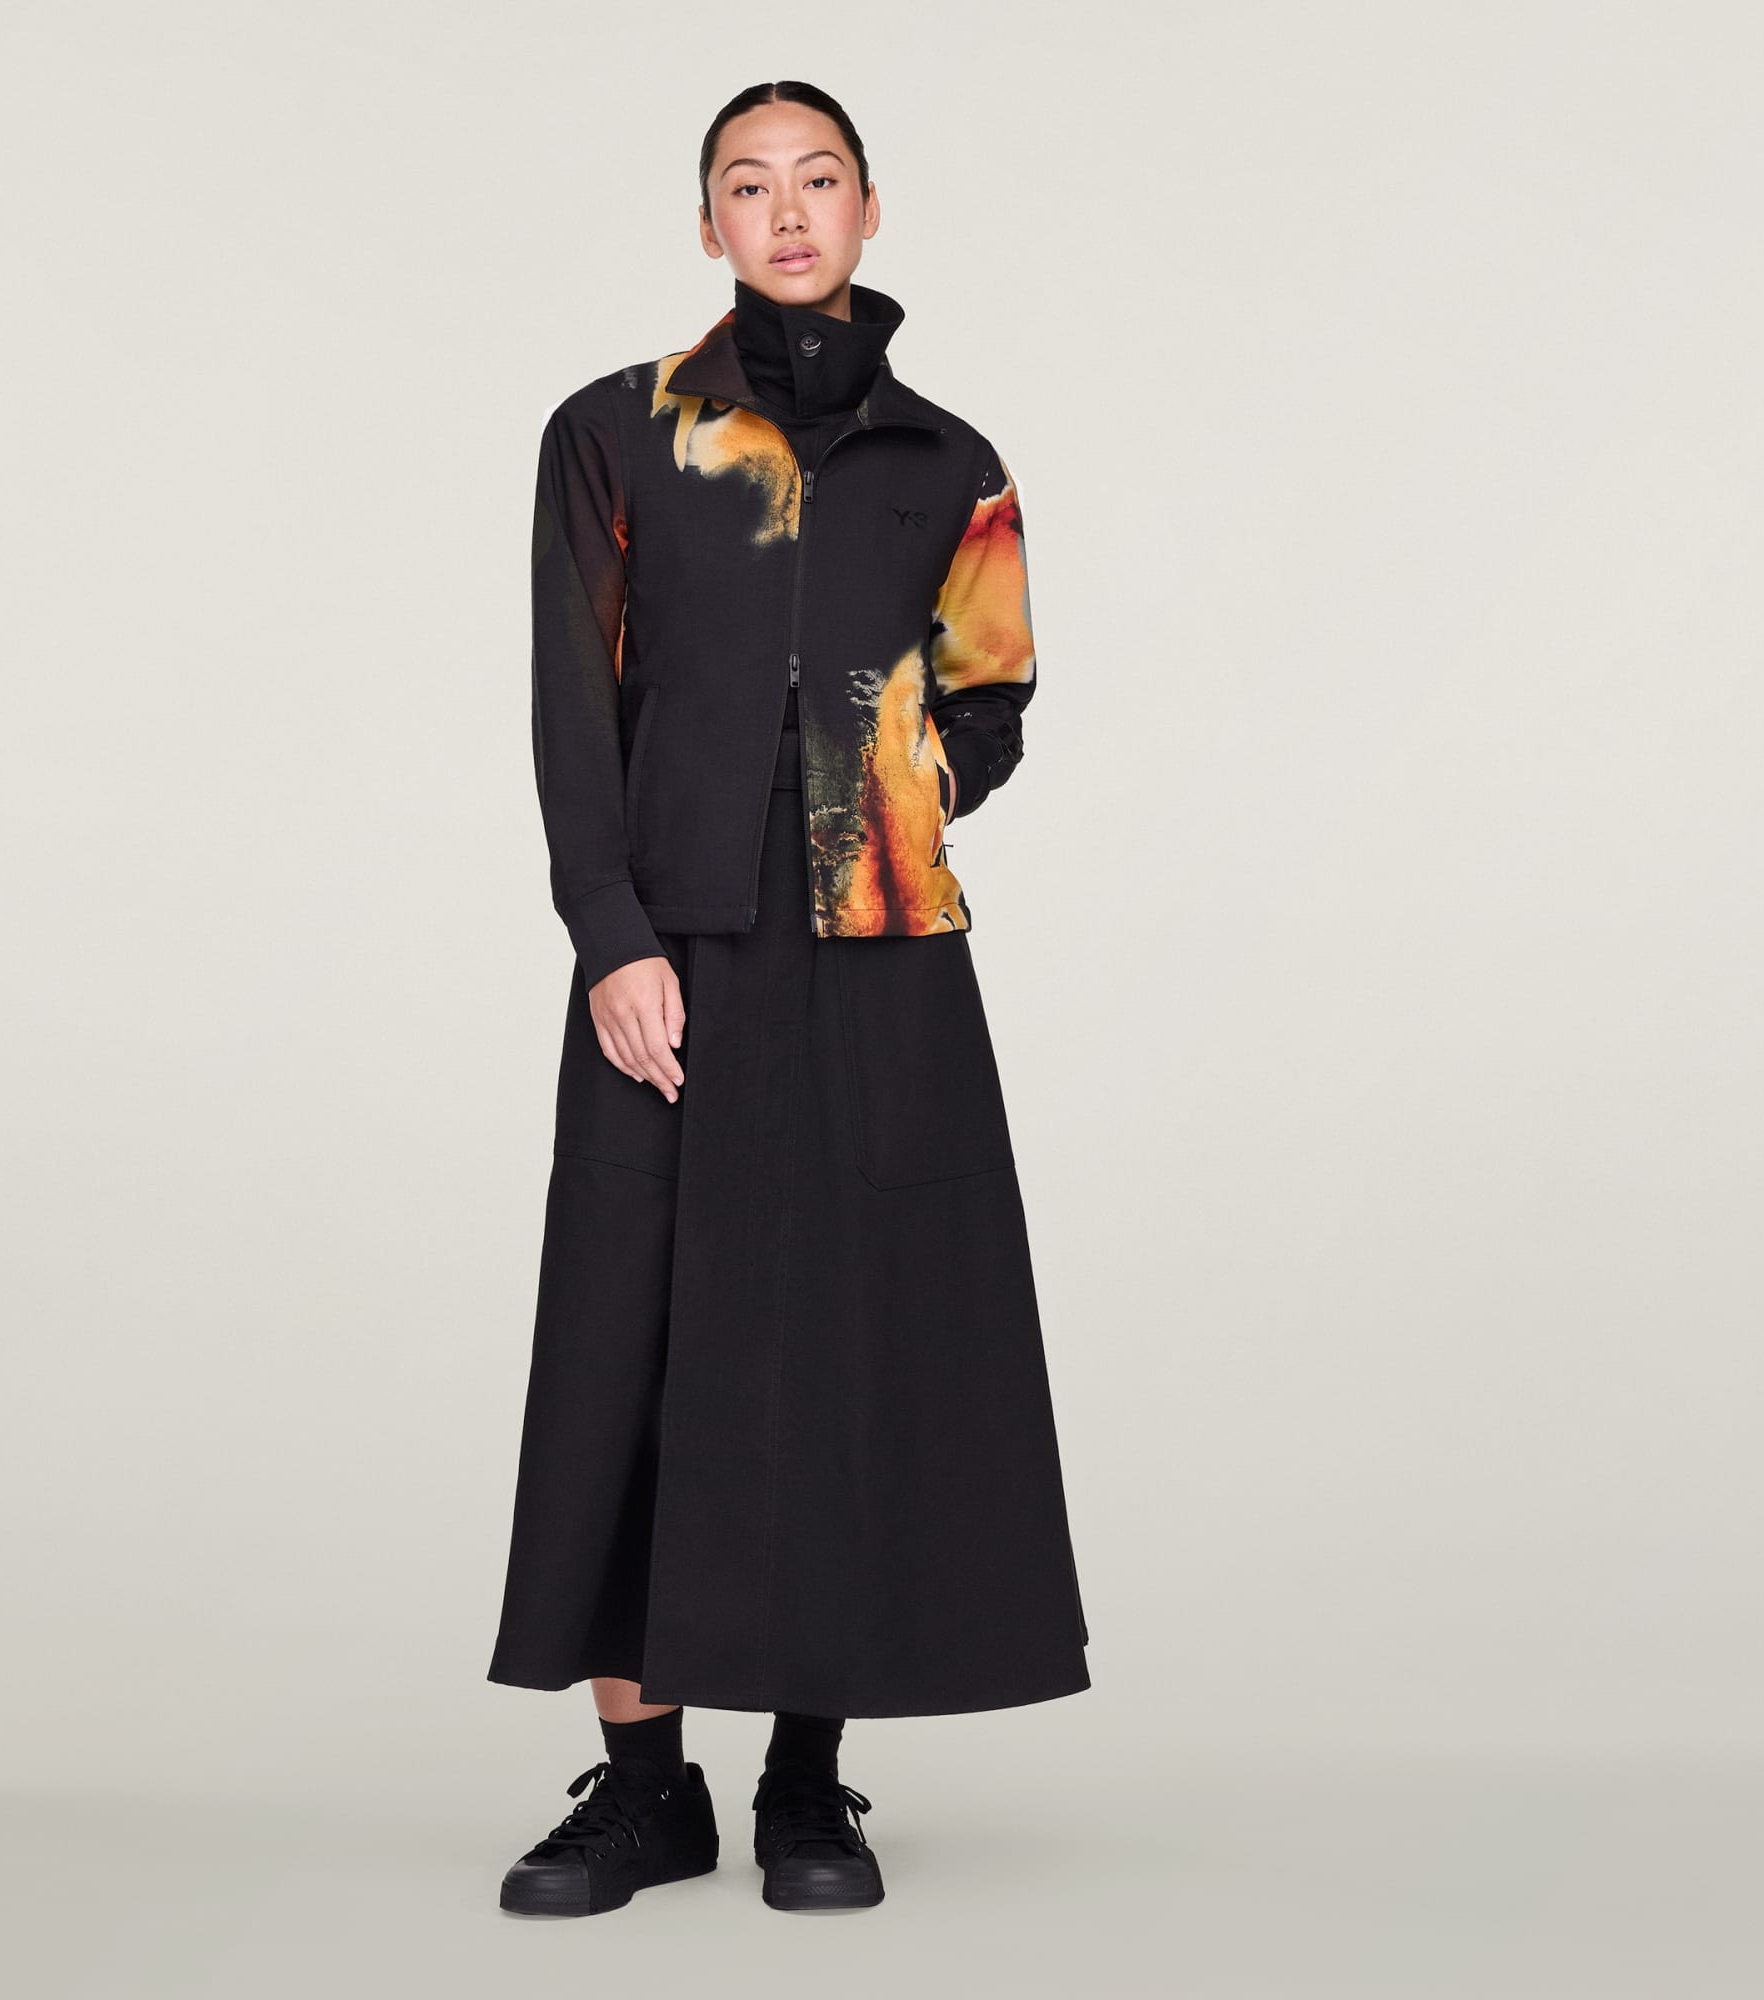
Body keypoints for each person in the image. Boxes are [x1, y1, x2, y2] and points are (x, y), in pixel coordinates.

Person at [487, 80, 1089, 1919]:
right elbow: (571, 700)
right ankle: (646, 1788)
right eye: (749, 186)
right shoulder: (616, 434)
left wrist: (895, 789)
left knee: (854, 1335)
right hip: (674, 938)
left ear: (869, 206)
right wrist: (611, 934)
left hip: (876, 946)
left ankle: (809, 1781)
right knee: (632, 1336)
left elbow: (992, 692)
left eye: (818, 178)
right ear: (710, 228)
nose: (789, 210)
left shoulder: (949, 461)